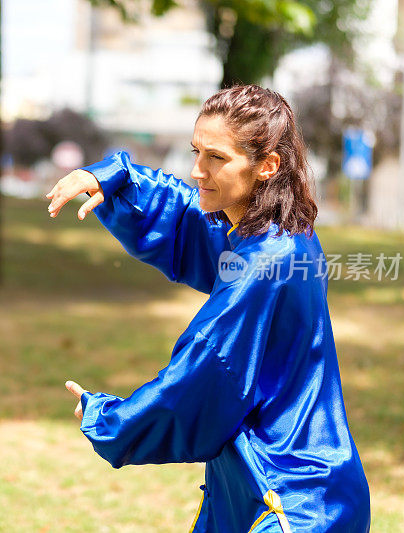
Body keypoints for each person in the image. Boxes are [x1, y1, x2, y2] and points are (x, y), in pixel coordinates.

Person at [45, 85, 371, 533]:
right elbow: (188, 221)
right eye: (196, 151)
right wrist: (115, 178)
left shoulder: (266, 261)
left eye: (216, 158)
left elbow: (207, 373)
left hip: (291, 500)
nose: (198, 170)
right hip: (266, 488)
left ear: (267, 166)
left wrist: (110, 419)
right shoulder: (274, 233)